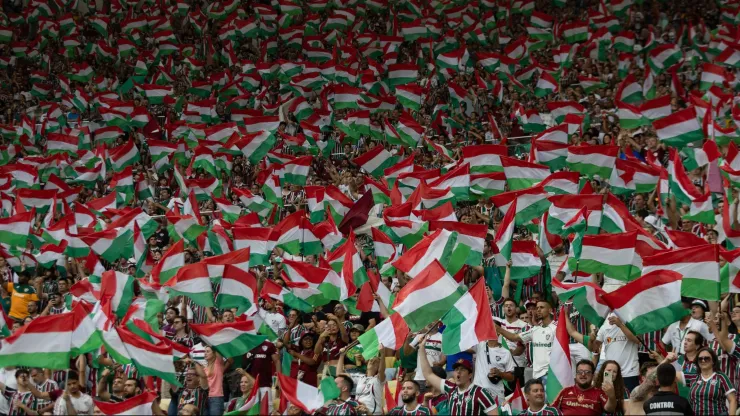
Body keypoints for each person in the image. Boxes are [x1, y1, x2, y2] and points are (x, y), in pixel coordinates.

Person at [418, 335, 498, 416]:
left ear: (470, 375)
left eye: (462, 370)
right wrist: (421, 348)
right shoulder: (450, 388)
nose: (458, 372)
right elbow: (428, 374)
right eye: (456, 370)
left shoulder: (481, 393)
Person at [495, 300, 556, 384]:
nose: (538, 310)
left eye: (541, 307)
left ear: (550, 310)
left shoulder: (557, 327)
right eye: (537, 308)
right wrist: (498, 329)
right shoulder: (535, 329)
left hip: (551, 373)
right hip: (535, 373)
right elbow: (514, 337)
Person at [553, 360, 617, 415]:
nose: (583, 374)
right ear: (576, 374)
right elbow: (551, 410)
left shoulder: (599, 393)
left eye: (587, 372)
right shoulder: (565, 391)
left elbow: (610, 409)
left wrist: (612, 396)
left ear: (593, 375)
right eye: (580, 372)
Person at [337, 343, 385, 415]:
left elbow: (382, 370)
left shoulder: (378, 380)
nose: (372, 361)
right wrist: (342, 355)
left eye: (375, 362)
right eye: (370, 360)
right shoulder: (360, 377)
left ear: (378, 367)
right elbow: (339, 374)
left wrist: (383, 354)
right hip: (359, 412)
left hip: (373, 413)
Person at [688, 347, 736, 415]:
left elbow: (732, 400)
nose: (703, 361)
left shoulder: (721, 376)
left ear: (713, 361)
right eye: (700, 359)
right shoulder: (694, 378)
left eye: (706, 358)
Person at [472, 338, 515, 405]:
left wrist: (500, 373)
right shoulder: (480, 344)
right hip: (478, 391)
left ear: (498, 332)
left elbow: (511, 377)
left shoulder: (505, 352)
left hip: (496, 392)